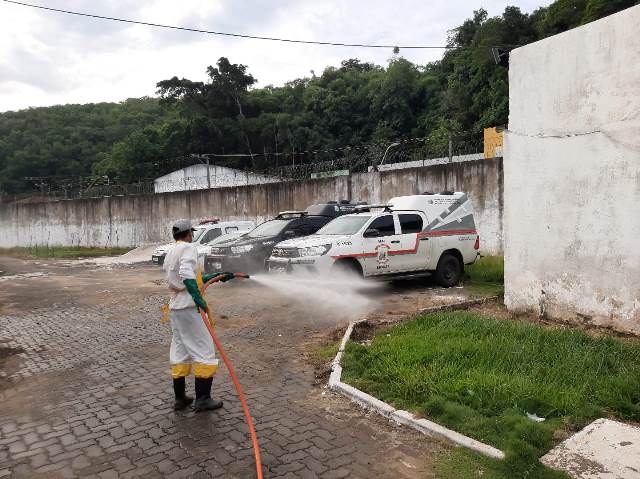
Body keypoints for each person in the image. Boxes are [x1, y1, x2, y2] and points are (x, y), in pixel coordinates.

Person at [163, 219, 237, 412]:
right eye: (191, 233)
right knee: (204, 349)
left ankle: (180, 399)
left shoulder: (171, 251)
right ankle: (203, 399)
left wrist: (216, 276)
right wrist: (198, 299)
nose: (192, 236)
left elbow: (187, 278)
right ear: (188, 234)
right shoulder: (188, 248)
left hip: (175, 308)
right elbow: (186, 274)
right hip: (189, 307)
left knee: (180, 350)